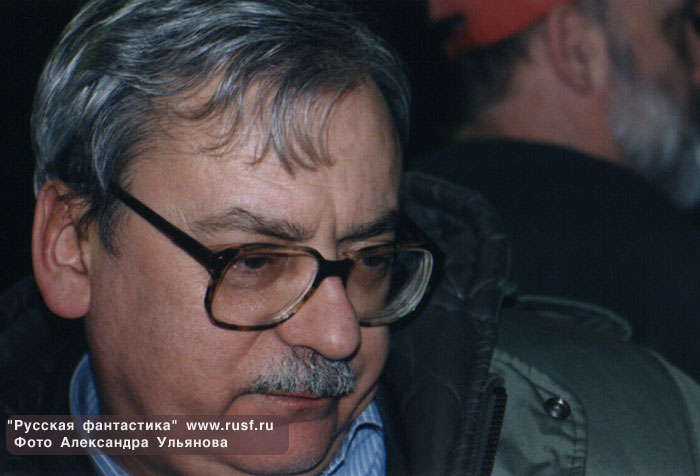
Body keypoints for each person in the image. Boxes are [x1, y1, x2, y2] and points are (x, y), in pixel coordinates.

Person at [1, 0, 699, 475]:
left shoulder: (643, 434)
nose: (339, 335)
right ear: (72, 247)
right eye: (254, 262)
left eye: (369, 260)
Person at [422, 0, 700, 380]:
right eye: (675, 29)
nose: (697, 70)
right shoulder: (667, 272)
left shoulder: (401, 227)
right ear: (576, 47)